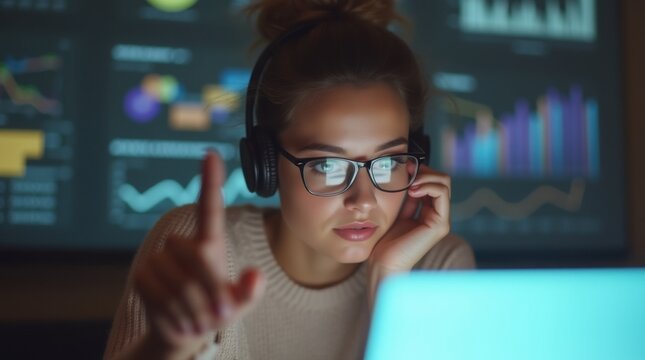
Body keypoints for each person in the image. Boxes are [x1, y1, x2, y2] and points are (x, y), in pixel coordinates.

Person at [104, 0, 476, 359]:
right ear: (264, 164)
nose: (363, 200)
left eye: (388, 161)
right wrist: (166, 349)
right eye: (328, 166)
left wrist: (391, 285)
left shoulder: (437, 266)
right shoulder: (197, 247)